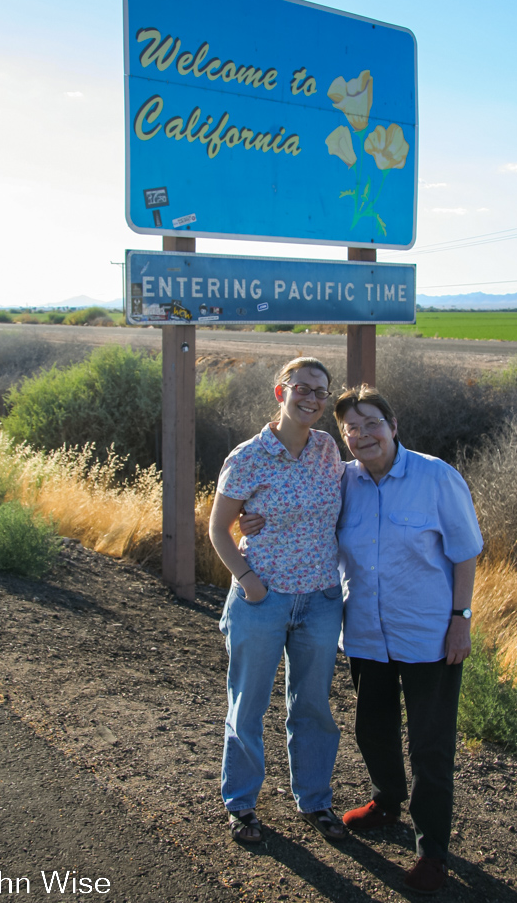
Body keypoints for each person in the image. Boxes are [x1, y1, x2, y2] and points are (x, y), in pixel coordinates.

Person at [333, 385, 483, 894]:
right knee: (371, 727)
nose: (362, 435)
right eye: (351, 428)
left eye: (371, 423)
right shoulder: (345, 481)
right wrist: (252, 518)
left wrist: (461, 617)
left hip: (430, 636)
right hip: (366, 634)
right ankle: (385, 800)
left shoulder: (436, 476)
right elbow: (307, 525)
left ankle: (432, 852)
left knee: (430, 748)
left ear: (393, 426)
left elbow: (465, 553)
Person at [208, 357, 347, 845]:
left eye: (321, 392)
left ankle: (315, 801)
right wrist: (250, 582)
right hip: (262, 598)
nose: (312, 398)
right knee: (248, 705)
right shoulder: (248, 456)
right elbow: (217, 530)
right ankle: (241, 804)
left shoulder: (328, 448)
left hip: (321, 600)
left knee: (312, 706)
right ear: (280, 392)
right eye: (302, 389)